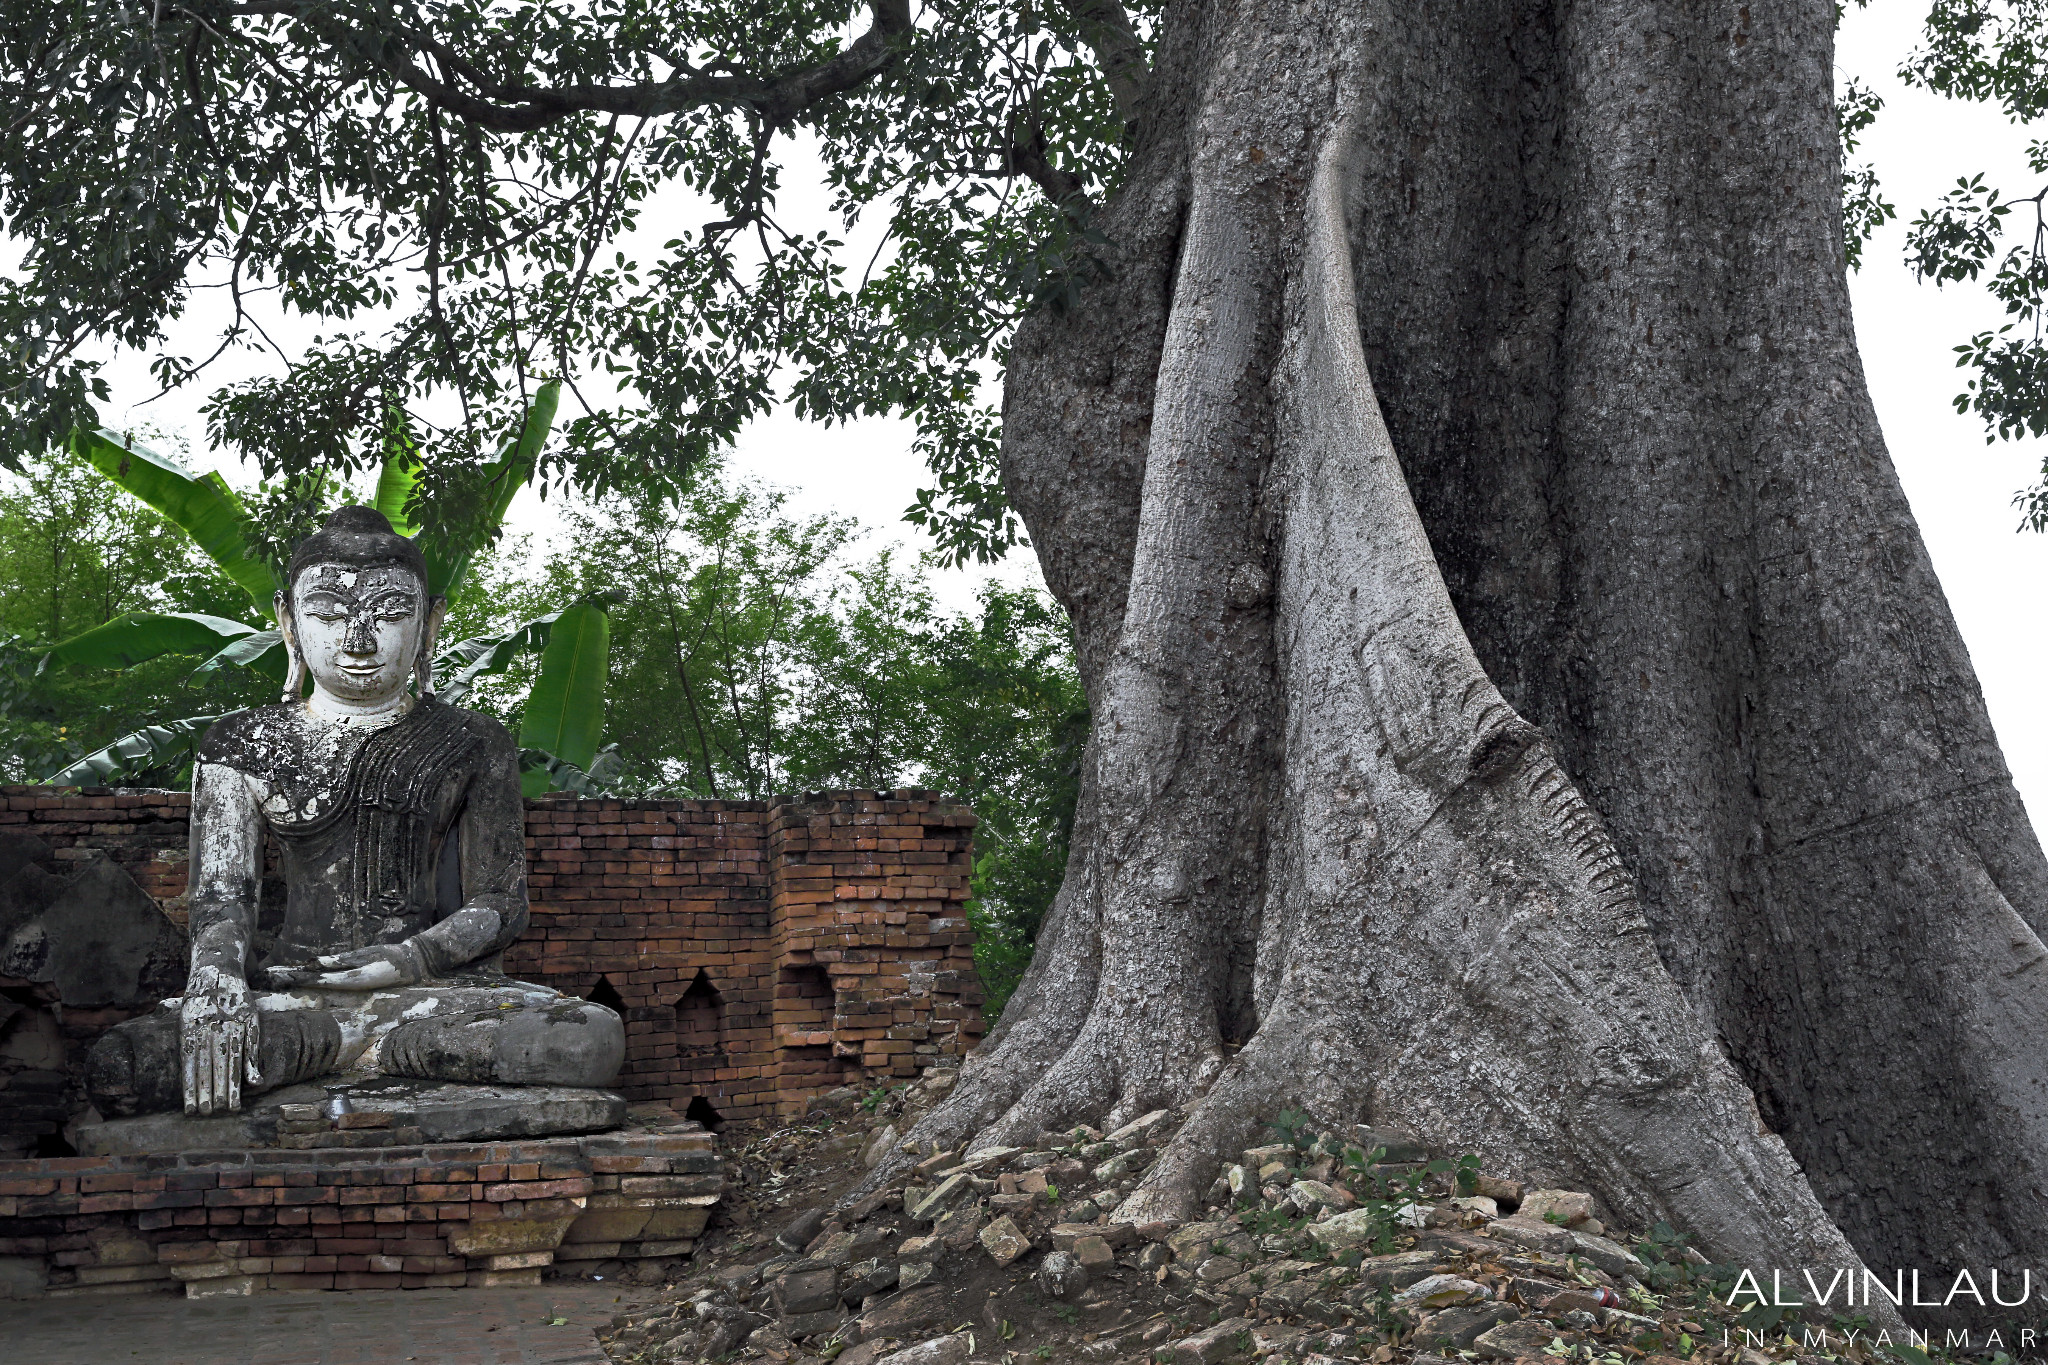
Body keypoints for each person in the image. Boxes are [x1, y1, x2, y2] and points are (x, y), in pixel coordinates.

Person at [87, 506, 624, 1118]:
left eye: (391, 614)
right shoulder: (241, 742)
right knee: (122, 1068)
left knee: (588, 1038)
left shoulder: (474, 740)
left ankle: (357, 1048)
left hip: (425, 995)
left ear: (429, 624)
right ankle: (364, 1047)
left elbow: (500, 905)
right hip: (295, 993)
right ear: (289, 623)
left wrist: (406, 960)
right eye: (329, 615)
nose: (359, 640)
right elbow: (223, 896)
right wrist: (217, 985)